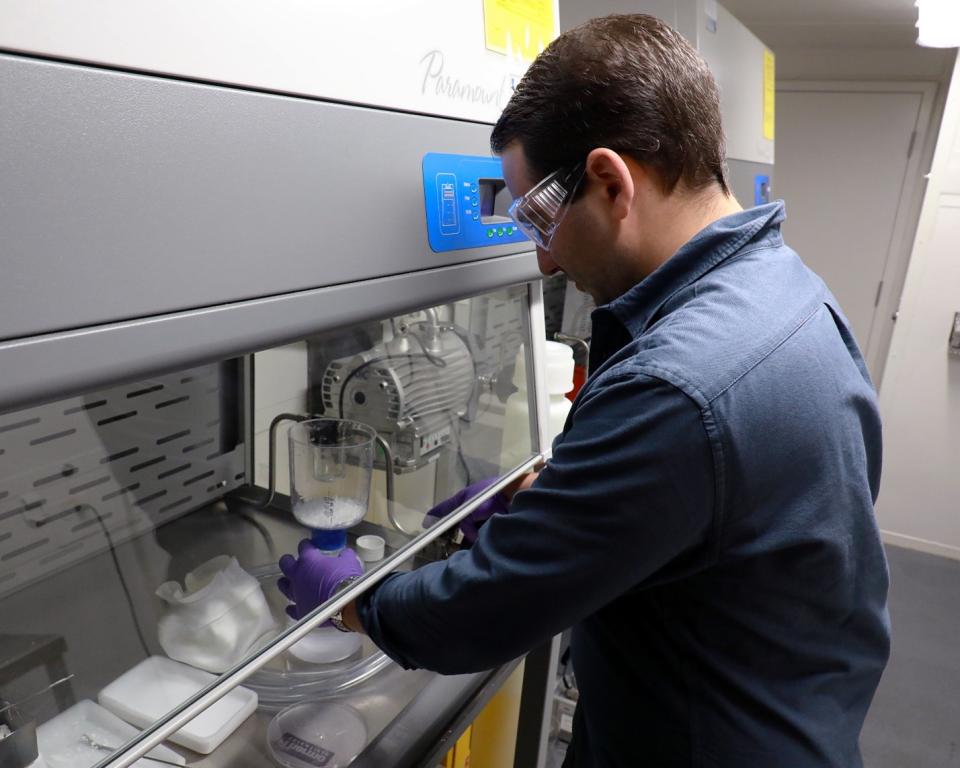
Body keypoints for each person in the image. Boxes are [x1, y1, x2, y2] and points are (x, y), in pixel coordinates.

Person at [277, 14, 890, 767]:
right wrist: (564, 495)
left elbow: (482, 614)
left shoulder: (679, 385)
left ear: (609, 181)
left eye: (538, 216)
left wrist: (354, 600)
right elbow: (734, 500)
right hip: (795, 717)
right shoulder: (794, 296)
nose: (541, 261)